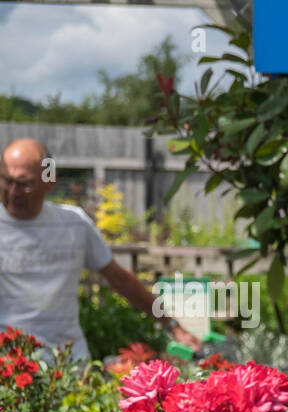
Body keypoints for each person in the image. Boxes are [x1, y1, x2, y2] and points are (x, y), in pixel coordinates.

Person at [0, 138, 199, 359]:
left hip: (68, 364)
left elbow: (121, 280)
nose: (12, 192)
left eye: (24, 183)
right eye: (6, 180)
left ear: (50, 180)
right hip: (10, 368)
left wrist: (172, 325)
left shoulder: (74, 224)